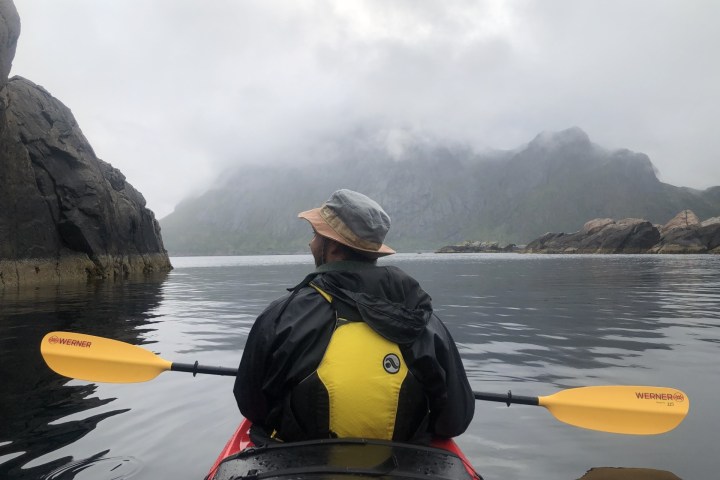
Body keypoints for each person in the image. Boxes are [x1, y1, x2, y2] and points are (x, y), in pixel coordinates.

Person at [234, 189, 474, 444]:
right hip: (401, 467)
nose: (311, 243)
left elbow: (252, 408)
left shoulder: (279, 317)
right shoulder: (424, 320)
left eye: (316, 235)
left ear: (334, 247)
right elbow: (455, 420)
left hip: (298, 466)